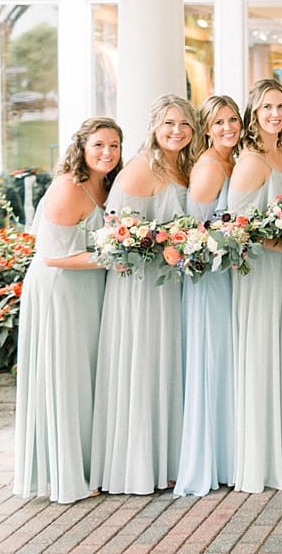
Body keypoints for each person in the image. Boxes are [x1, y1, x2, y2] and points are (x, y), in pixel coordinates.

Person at [91, 95, 198, 494]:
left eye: (184, 124)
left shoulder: (183, 165)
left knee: (168, 365)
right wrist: (162, 244)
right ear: (154, 126)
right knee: (146, 364)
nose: (177, 131)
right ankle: (139, 465)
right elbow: (118, 235)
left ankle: (169, 458)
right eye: (169, 123)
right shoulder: (140, 169)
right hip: (141, 289)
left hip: (171, 284)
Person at [13, 117, 122, 504]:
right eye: (99, 145)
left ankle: (90, 463)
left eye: (114, 145)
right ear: (82, 147)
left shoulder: (107, 184)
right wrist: (114, 258)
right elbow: (53, 256)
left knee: (86, 376)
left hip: (87, 289)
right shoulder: (67, 186)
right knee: (67, 376)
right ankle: (68, 473)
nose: (107, 152)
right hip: (59, 291)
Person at [229, 79, 282, 493]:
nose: (275, 114)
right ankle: (259, 459)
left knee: (280, 354)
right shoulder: (252, 160)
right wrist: (272, 244)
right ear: (254, 114)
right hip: (258, 272)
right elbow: (234, 226)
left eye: (280, 107)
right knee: (261, 355)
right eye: (267, 107)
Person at [176, 95, 241, 497]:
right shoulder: (210, 166)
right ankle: (209, 460)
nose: (227, 128)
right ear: (206, 129)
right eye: (218, 122)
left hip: (227, 276)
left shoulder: (233, 161)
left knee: (225, 363)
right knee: (212, 360)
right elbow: (192, 230)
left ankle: (228, 455)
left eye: (232, 119)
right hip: (208, 280)